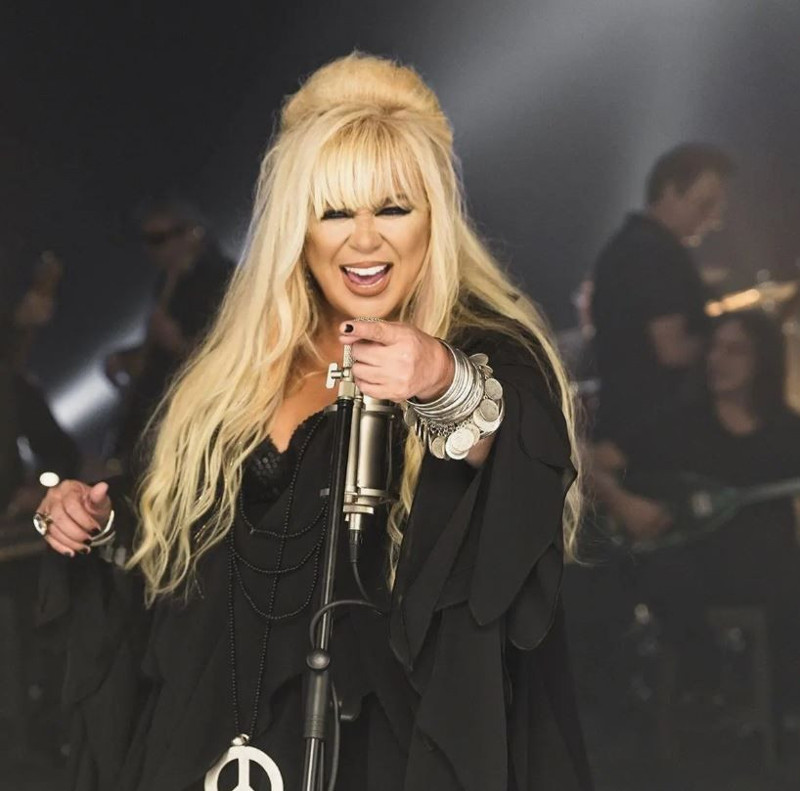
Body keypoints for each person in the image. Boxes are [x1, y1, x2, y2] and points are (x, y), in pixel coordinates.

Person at [33, 54, 592, 791]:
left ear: (433, 218)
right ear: (299, 227)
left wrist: (440, 381)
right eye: (334, 212)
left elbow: (522, 455)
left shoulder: (486, 349)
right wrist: (96, 522)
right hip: (220, 737)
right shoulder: (240, 366)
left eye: (393, 208)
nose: (365, 240)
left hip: (385, 747)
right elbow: (177, 551)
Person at [591, 310, 800, 708]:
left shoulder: (787, 432)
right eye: (714, 348)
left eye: (735, 350)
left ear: (763, 360)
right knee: (668, 575)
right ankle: (706, 691)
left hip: (769, 571)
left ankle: (778, 709)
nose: (718, 359)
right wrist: (625, 503)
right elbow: (590, 461)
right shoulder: (680, 423)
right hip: (695, 570)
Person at [589, 143, 735, 441]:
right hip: (654, 433)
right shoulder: (655, 253)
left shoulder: (632, 244)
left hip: (629, 425)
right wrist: (734, 350)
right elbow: (673, 350)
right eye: (705, 204)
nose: (714, 219)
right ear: (669, 191)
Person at [106, 200, 235, 468]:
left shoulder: (223, 278)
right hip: (160, 409)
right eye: (149, 240)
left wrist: (178, 344)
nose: (153, 249)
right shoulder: (166, 283)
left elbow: (231, 350)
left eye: (160, 239)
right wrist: (125, 358)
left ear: (190, 233)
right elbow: (157, 352)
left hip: (202, 412)